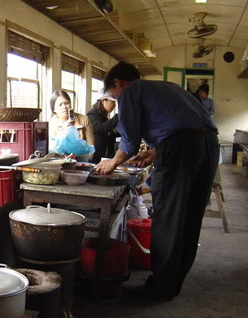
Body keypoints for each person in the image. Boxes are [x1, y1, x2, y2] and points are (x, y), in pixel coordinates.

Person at [96, 62, 219, 300]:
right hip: (209, 146)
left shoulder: (131, 92)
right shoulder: (167, 87)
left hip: (181, 149)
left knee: (168, 218)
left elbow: (129, 142)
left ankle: (159, 289)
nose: (116, 100)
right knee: (190, 217)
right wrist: (154, 152)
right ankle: (173, 283)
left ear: (118, 84)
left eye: (113, 95)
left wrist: (112, 163)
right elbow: (185, 126)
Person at [48, 90, 95, 158]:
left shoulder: (84, 120)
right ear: (54, 109)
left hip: (81, 161)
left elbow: (91, 146)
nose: (64, 107)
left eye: (66, 103)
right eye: (60, 105)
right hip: (58, 163)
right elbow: (51, 150)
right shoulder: (52, 124)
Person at [87, 92, 119, 163]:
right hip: (95, 156)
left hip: (104, 154)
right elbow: (100, 129)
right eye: (112, 102)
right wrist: (117, 117)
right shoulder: (92, 114)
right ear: (103, 101)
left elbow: (109, 130)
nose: (114, 105)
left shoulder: (103, 115)